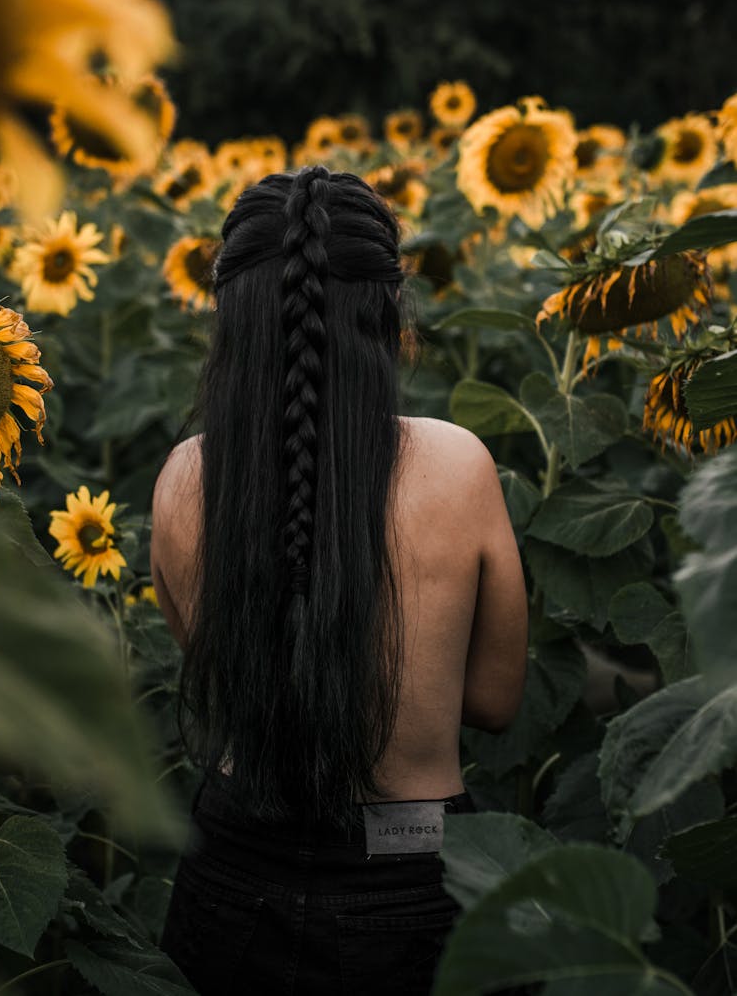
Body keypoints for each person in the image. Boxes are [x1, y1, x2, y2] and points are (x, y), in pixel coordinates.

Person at [151, 165, 528, 996]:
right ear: (388, 314)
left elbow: (216, 664)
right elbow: (497, 701)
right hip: (414, 878)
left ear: (230, 318)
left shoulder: (185, 478)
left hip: (229, 874)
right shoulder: (460, 467)